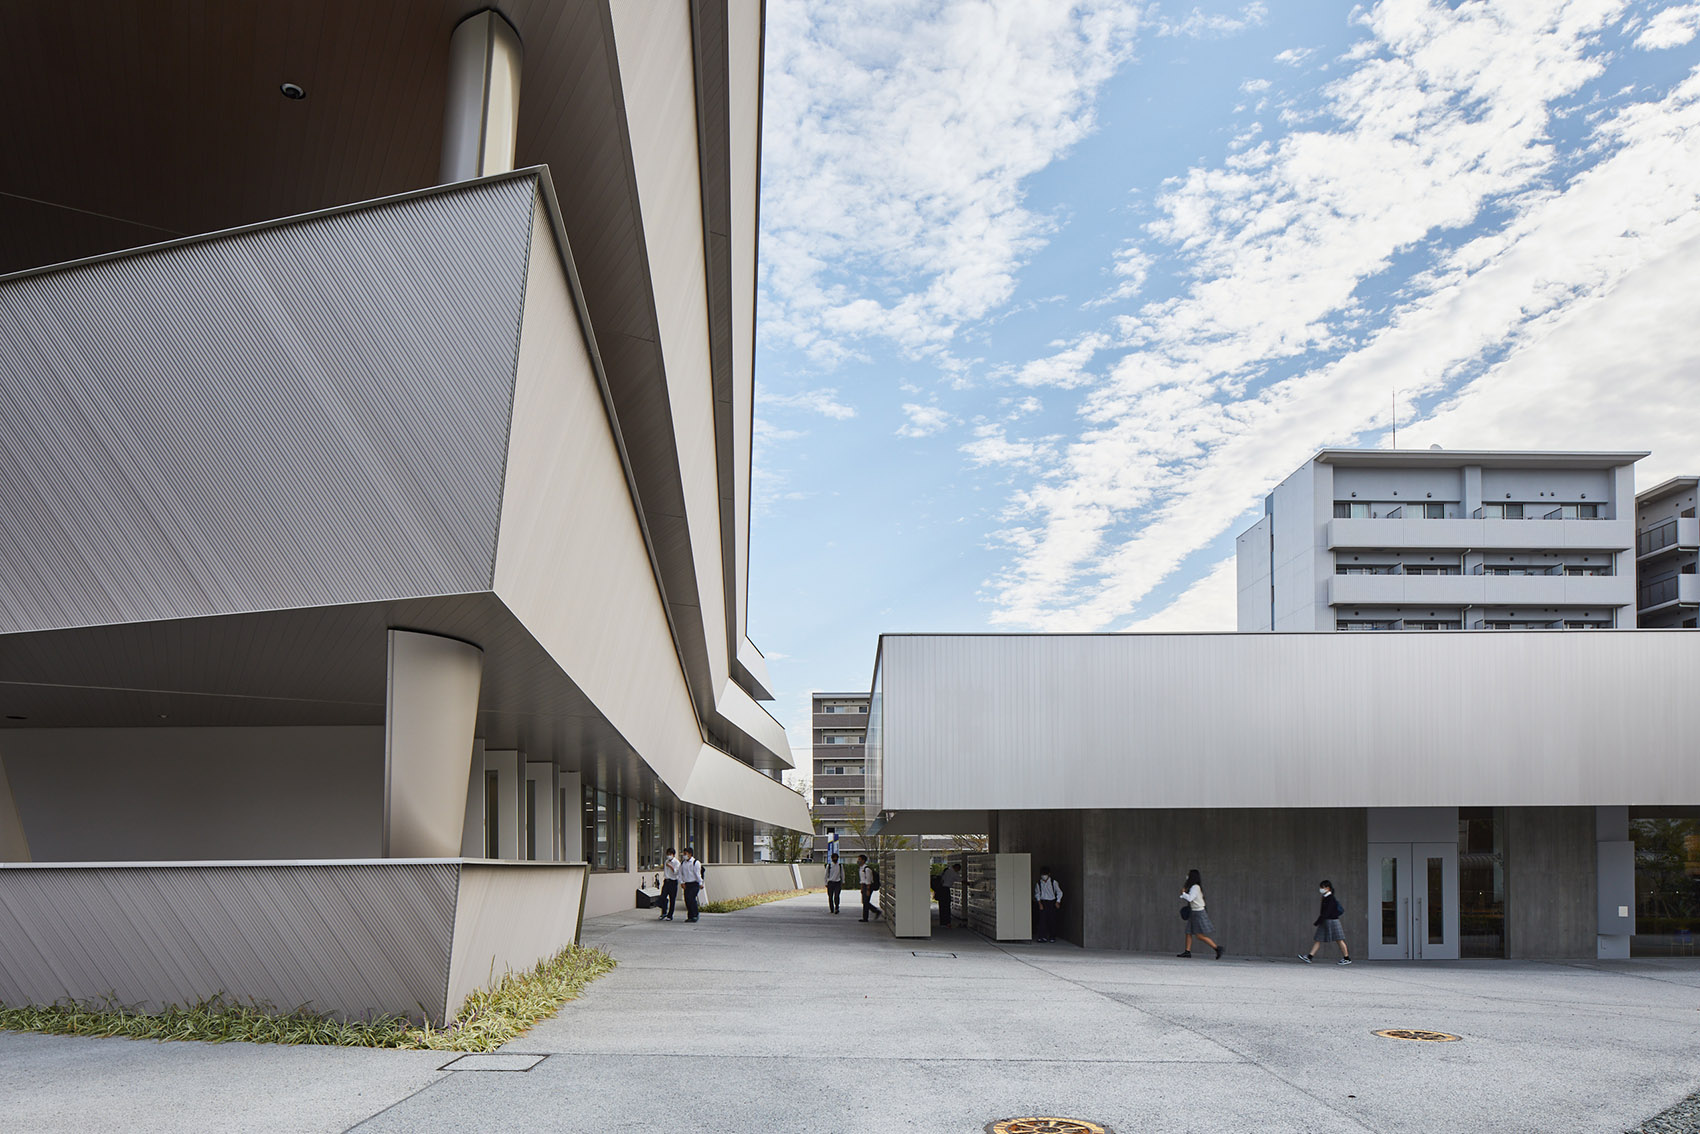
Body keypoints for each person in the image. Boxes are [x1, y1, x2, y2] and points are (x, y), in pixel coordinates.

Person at [1300, 879, 1351, 965]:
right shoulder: (1326, 897)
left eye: (1322, 887)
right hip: (1326, 921)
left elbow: (1326, 912)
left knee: (1339, 939)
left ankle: (1347, 958)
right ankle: (1309, 956)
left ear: (1328, 888)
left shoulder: (1330, 898)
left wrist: (1318, 921)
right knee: (1318, 939)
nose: (1321, 889)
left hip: (1332, 921)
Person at [1178, 868, 1224, 959]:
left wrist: (1183, 893)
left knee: (1199, 935)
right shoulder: (1194, 887)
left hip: (1198, 912)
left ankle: (1217, 948)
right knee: (1188, 932)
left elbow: (1190, 898)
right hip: (1194, 912)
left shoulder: (1195, 887)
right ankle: (1187, 951)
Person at [1034, 867, 1063, 942]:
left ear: (1049, 874)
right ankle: (1042, 936)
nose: (1044, 876)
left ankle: (1052, 936)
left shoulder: (1053, 882)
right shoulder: (1039, 883)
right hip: (1043, 902)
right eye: (1043, 874)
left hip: (1052, 902)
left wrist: (1058, 901)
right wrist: (1039, 903)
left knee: (1052, 920)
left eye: (1045, 874)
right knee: (1042, 920)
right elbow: (1037, 894)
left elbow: (1059, 892)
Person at [933, 861, 961, 927]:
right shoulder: (953, 873)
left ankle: (942, 922)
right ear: (956, 868)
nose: (958, 871)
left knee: (942, 906)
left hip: (941, 889)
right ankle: (947, 922)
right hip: (945, 890)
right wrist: (970, 883)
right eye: (958, 870)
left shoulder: (946, 870)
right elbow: (960, 880)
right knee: (946, 906)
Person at [679, 847, 703, 922]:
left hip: (694, 883)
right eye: (684, 854)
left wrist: (700, 883)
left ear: (690, 854)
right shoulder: (683, 863)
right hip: (687, 884)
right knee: (687, 900)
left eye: (685, 854)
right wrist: (682, 882)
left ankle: (695, 915)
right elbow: (680, 873)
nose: (684, 855)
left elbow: (698, 874)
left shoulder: (695, 862)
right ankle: (690, 916)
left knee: (691, 899)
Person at [658, 847, 680, 921]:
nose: (668, 856)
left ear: (673, 855)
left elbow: (676, 872)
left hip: (673, 882)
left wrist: (670, 866)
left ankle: (670, 915)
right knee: (663, 897)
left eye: (670, 854)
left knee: (672, 899)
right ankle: (663, 912)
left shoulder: (676, 862)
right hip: (666, 881)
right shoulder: (666, 861)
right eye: (667, 854)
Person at [857, 854, 880, 921]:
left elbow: (868, 880)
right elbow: (862, 880)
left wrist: (868, 890)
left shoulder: (867, 869)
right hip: (864, 886)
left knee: (866, 901)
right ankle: (874, 912)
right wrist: (861, 888)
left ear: (863, 860)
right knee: (865, 902)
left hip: (868, 886)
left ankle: (867, 917)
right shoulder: (861, 869)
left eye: (859, 859)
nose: (858, 861)